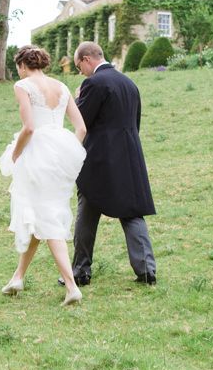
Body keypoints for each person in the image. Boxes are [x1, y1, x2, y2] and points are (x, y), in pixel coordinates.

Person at [0, 46, 87, 306]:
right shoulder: (61, 86)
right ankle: (18, 277)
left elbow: (29, 127)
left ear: (22, 65)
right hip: (60, 155)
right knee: (40, 213)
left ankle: (71, 286)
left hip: (36, 154)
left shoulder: (23, 85)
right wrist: (66, 151)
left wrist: (15, 154)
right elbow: (80, 128)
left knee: (45, 217)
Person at [67, 41, 157, 287]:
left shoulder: (94, 83)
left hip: (99, 160)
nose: (80, 73)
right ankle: (147, 270)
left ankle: (80, 271)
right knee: (131, 212)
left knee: (87, 213)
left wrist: (76, 99)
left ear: (87, 59)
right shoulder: (129, 83)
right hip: (129, 157)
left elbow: (82, 122)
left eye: (78, 67)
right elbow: (134, 123)